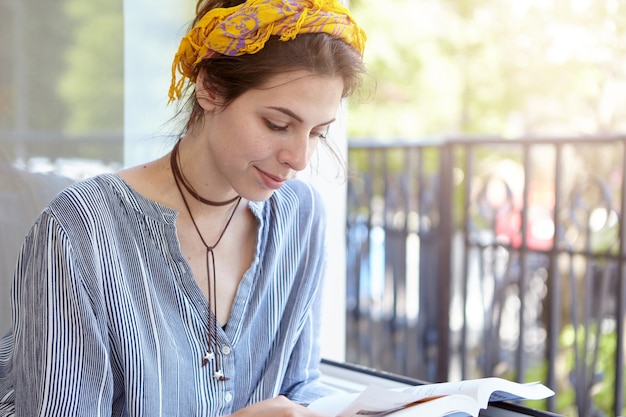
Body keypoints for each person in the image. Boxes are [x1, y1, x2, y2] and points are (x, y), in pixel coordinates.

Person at [0, 0, 366, 415]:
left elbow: (296, 385)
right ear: (210, 88)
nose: (299, 158)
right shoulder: (80, 232)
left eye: (318, 132)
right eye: (277, 125)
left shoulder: (300, 217)